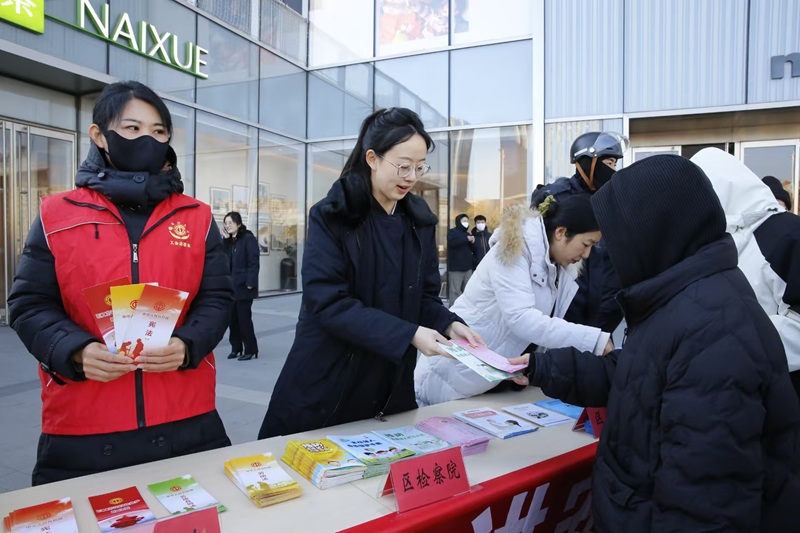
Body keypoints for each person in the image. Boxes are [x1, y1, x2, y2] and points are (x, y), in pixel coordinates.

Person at [511, 154, 800, 531]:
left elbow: (703, 506)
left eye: (618, 241)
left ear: (654, 233)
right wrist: (542, 367)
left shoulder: (713, 334)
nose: (612, 256)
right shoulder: (687, 297)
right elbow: (641, 374)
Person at [7, 81, 233, 485]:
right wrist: (73, 350)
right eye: (131, 129)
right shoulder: (56, 213)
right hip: (84, 422)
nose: (147, 139)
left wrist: (188, 344)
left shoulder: (196, 216)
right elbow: (28, 304)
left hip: (186, 414)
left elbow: (217, 298)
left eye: (159, 132)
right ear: (99, 135)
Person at [257, 108, 481, 439]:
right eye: (403, 166)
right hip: (330, 380)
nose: (411, 177)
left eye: (419, 167)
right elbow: (328, 303)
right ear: (372, 158)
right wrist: (408, 334)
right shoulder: (332, 215)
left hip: (390, 381)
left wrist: (447, 322)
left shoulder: (419, 222)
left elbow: (422, 297)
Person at [415, 194, 612, 406]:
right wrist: (595, 340)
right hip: (451, 376)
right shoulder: (513, 251)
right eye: (586, 244)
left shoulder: (560, 269)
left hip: (492, 381)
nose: (587, 254)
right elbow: (521, 318)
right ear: (561, 232)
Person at [691, 148, 800, 400]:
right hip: (745, 390)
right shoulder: (727, 238)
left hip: (787, 391)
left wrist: (730, 340)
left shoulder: (787, 234)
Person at [530, 131, 628, 334]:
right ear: (588, 162)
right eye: (609, 164)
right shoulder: (557, 198)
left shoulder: (613, 203)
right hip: (565, 315)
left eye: (615, 165)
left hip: (604, 313)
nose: (613, 171)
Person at [222, 211, 260, 361]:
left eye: (230, 223)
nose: (227, 226)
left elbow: (253, 261)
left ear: (238, 223)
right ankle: (236, 348)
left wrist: (251, 282)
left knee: (244, 319)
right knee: (232, 320)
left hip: (244, 287)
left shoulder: (248, 239)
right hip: (231, 287)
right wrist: (225, 241)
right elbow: (223, 260)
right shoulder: (230, 241)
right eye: (225, 223)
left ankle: (251, 349)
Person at [447, 213, 475, 303]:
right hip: (456, 268)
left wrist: (472, 242)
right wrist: (467, 239)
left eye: (467, 221)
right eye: (464, 221)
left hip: (467, 268)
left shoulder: (468, 234)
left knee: (468, 290)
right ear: (458, 221)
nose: (466, 223)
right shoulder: (452, 232)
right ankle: (454, 311)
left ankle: (465, 311)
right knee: (455, 291)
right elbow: (452, 243)